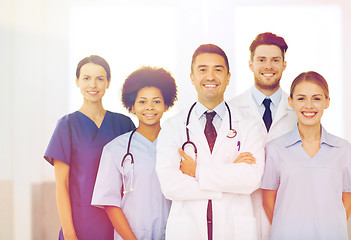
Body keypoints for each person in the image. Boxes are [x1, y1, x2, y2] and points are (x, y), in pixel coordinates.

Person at [156, 44, 265, 240]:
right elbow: (170, 185)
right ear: (192, 77)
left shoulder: (250, 125)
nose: (210, 76)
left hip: (234, 229)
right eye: (203, 69)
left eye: (218, 70)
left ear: (228, 77)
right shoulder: (173, 126)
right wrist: (230, 176)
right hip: (188, 230)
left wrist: (197, 171)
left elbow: (251, 179)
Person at [261, 71, 351, 240]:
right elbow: (267, 202)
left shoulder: (344, 149)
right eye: (301, 98)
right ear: (291, 102)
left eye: (316, 98)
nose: (308, 105)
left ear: (327, 102)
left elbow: (348, 202)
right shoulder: (275, 149)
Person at [44, 55, 135, 240]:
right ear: (77, 81)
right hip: (79, 224)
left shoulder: (123, 124)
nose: (93, 85)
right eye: (86, 78)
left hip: (118, 222)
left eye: (100, 79)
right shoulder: (67, 125)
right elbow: (62, 185)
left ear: (108, 83)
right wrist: (69, 233)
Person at [91, 66, 177, 240]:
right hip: (131, 235)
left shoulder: (177, 144)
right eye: (142, 101)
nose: (150, 107)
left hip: (175, 233)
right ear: (132, 105)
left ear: (167, 104)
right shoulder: (115, 149)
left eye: (157, 101)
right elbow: (110, 204)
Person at [229, 32, 297, 240]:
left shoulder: (298, 110)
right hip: (242, 208)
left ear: (284, 65)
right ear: (251, 64)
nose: (268, 66)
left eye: (275, 60)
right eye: (261, 60)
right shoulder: (230, 110)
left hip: (287, 206)